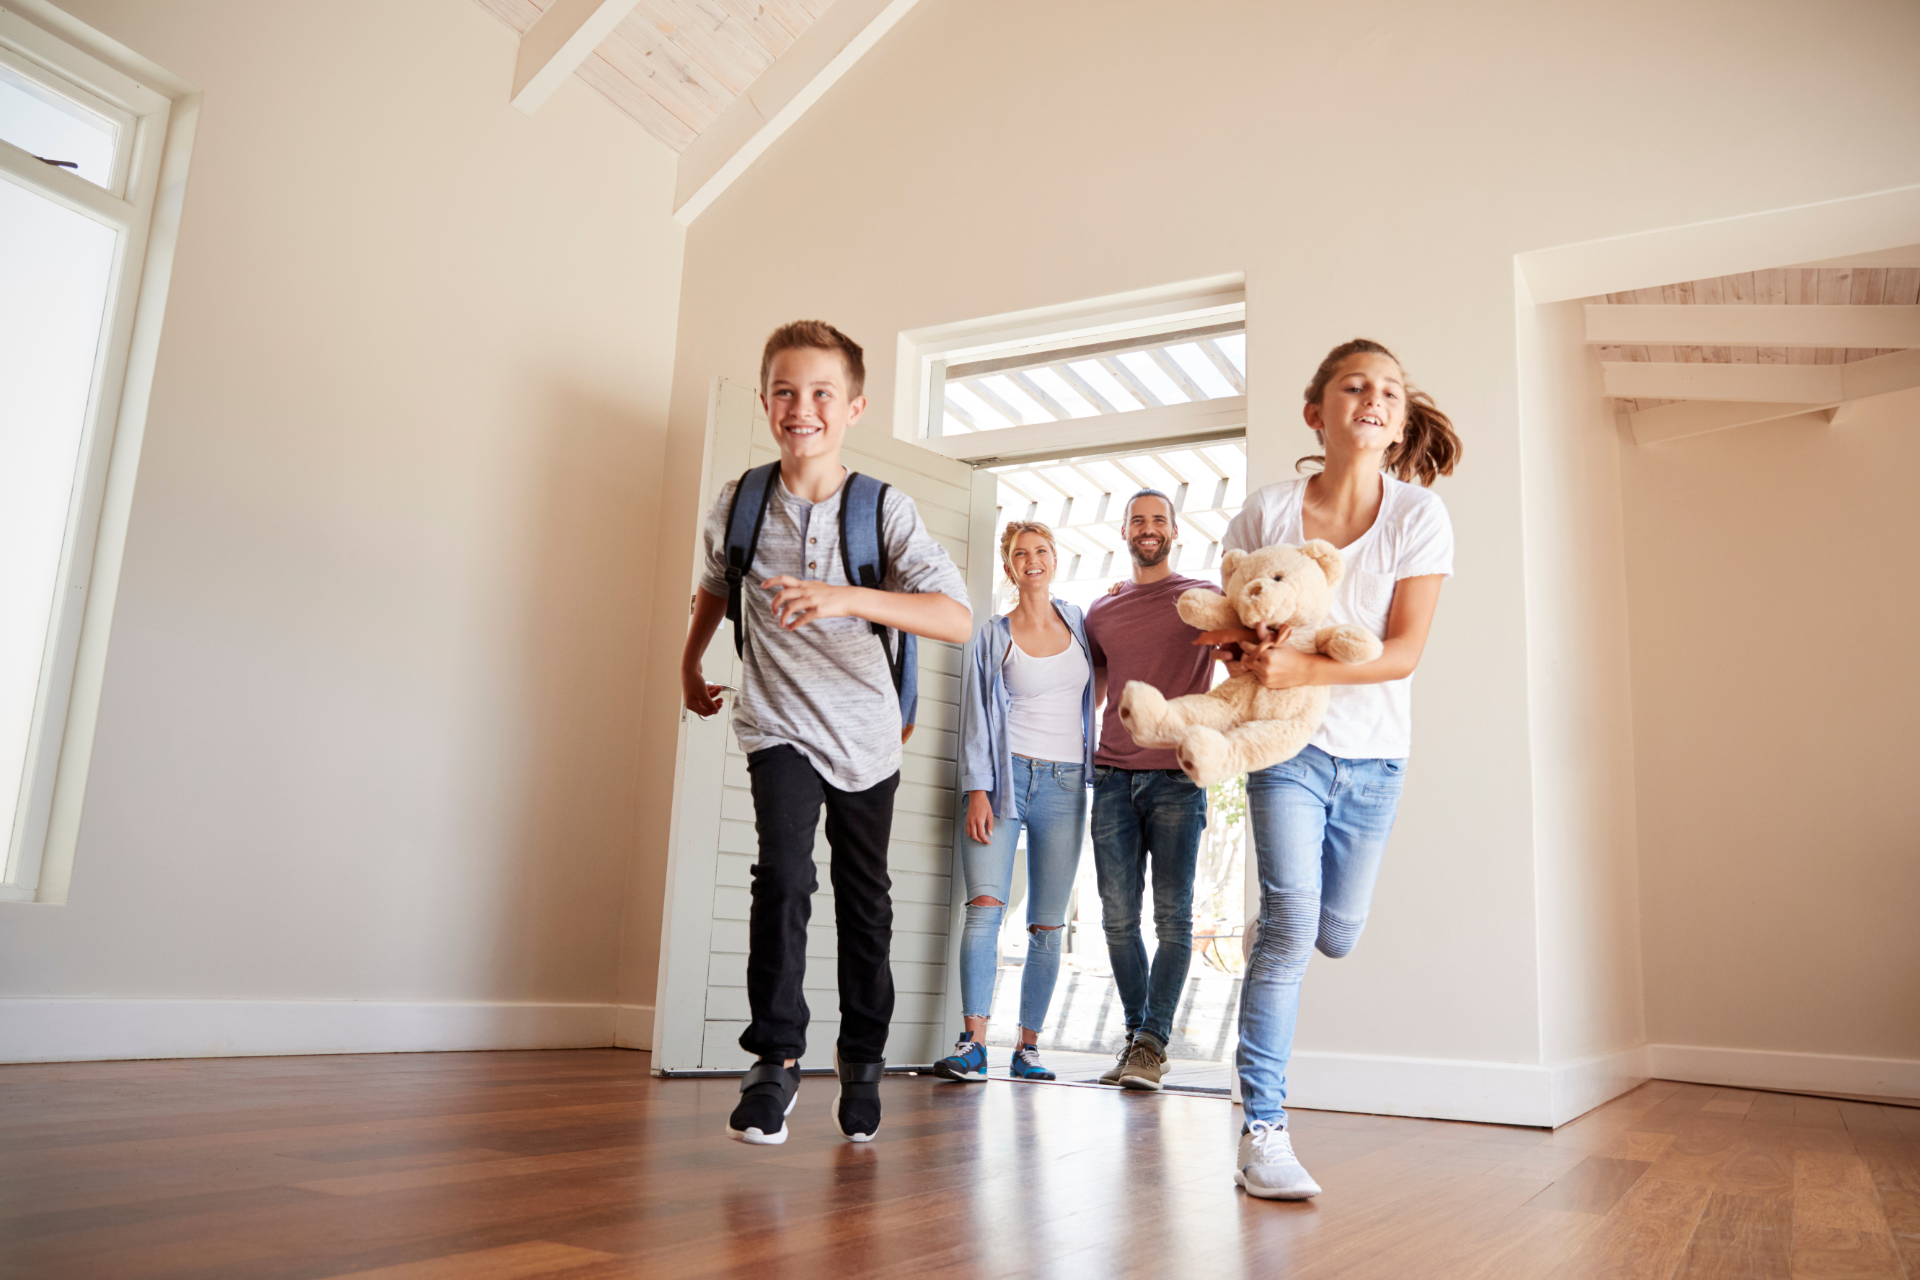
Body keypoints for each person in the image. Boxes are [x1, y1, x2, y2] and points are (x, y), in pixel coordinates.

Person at [681, 320, 971, 1146]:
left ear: (853, 409)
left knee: (864, 900)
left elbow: (954, 617)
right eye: (784, 390)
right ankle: (773, 1062)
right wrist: (689, 662)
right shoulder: (739, 502)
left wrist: (843, 596)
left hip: (867, 736)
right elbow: (714, 585)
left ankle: (863, 1060)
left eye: (820, 393)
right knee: (781, 875)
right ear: (766, 399)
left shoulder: (883, 510)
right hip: (776, 721)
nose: (799, 407)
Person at [1212, 337, 1461, 1199]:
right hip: (1284, 748)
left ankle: (1286, 927)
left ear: (1397, 424)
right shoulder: (1265, 514)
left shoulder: (1418, 516)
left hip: (1376, 757)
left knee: (1336, 933)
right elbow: (1223, 618)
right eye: (1355, 385)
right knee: (1287, 927)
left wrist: (1308, 666)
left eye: (1390, 388)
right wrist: (1248, 650)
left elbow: (1403, 655)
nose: (1376, 397)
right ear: (1316, 411)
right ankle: (1264, 1128)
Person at [936, 522, 1097, 1084]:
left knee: (1048, 924)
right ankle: (973, 1043)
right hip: (1004, 781)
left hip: (1068, 783)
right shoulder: (992, 634)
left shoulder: (1080, 623)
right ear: (1009, 567)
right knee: (984, 907)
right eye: (1020, 554)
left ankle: (1028, 1047)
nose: (1032, 560)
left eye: (1042, 551)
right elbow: (977, 715)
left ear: (1056, 560)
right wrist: (977, 789)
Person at [1083, 490, 1217, 1091]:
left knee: (1173, 920)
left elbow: (1244, 657)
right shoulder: (1101, 612)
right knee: (1115, 920)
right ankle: (1144, 1042)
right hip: (1111, 776)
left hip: (1176, 780)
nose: (1148, 528)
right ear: (1123, 532)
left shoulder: (1201, 599)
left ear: (1175, 530)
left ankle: (1150, 1041)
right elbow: (1094, 686)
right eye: (1138, 520)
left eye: (1158, 519)